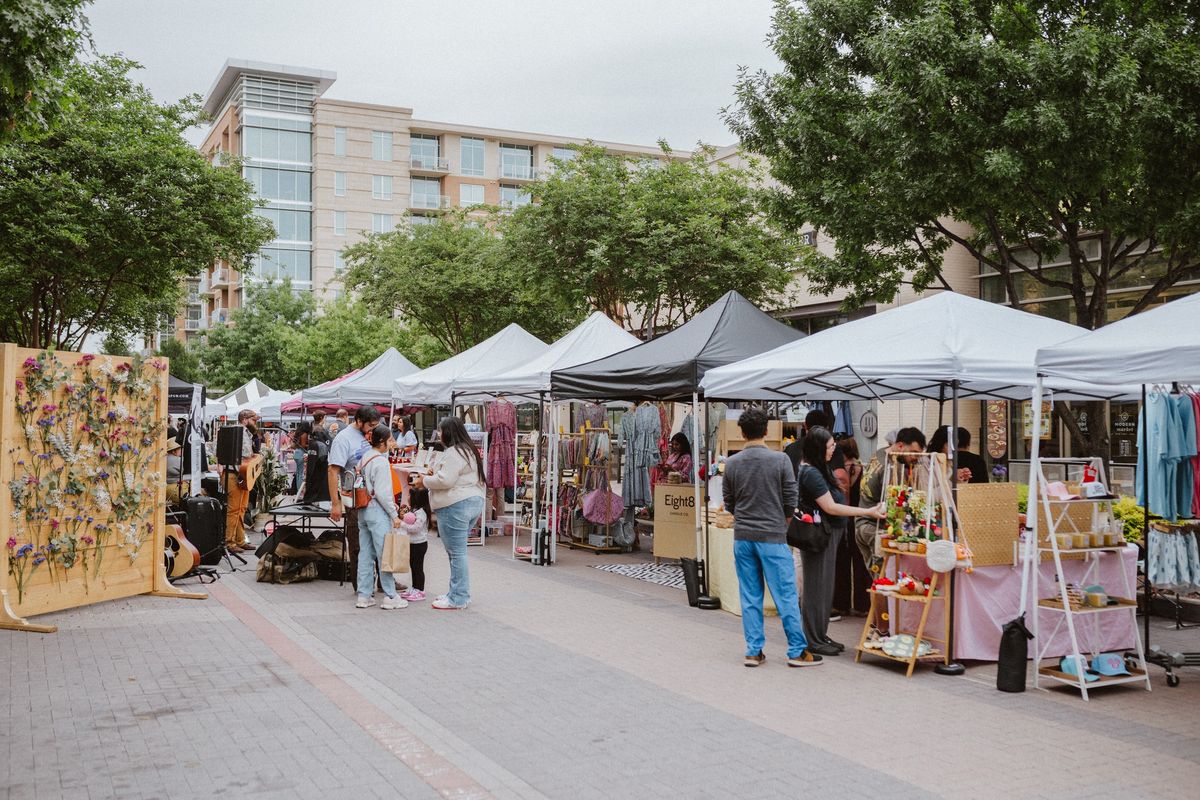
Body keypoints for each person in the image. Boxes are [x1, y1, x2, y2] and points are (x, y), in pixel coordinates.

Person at [721, 407, 821, 668]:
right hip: (773, 536)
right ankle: (797, 651)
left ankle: (754, 650)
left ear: (741, 433)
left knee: (750, 594)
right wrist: (782, 523)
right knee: (785, 594)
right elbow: (791, 499)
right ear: (766, 430)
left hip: (743, 536)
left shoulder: (731, 463)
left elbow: (729, 502)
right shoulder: (780, 461)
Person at [796, 426, 886, 656]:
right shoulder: (812, 473)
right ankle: (814, 639)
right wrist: (868, 512)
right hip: (820, 536)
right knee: (817, 587)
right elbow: (830, 507)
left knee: (825, 587)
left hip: (828, 535)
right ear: (818, 448)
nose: (833, 449)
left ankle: (820, 634)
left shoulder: (817, 469)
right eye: (829, 446)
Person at [412, 417, 485, 610]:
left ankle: (458, 597)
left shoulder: (454, 452)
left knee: (456, 553)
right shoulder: (467, 450)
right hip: (472, 501)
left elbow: (446, 480)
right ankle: (457, 592)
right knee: (457, 552)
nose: (438, 435)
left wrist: (424, 482)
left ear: (448, 433)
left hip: (456, 504)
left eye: (440, 431)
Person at [854, 427, 927, 568]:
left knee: (877, 577)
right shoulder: (893, 469)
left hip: (861, 524)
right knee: (886, 577)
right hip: (875, 529)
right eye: (914, 453)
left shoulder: (880, 453)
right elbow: (898, 507)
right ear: (900, 445)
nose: (916, 458)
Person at [353, 424, 407, 610]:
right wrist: (394, 515)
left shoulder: (364, 458)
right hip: (378, 511)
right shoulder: (381, 462)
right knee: (385, 553)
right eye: (390, 439)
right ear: (382, 441)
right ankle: (390, 595)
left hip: (363, 509)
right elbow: (384, 493)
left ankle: (364, 595)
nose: (392, 443)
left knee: (365, 553)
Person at [328, 406, 382, 587]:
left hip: (376, 497)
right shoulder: (343, 439)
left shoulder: (372, 435)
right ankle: (361, 585)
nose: (373, 429)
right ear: (359, 422)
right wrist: (335, 503)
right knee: (358, 543)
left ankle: (384, 580)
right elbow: (333, 471)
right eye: (371, 425)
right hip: (355, 499)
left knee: (380, 539)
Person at [786, 410, 849, 495]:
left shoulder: (790, 448)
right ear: (826, 427)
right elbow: (840, 475)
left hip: (795, 498)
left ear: (805, 425)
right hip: (822, 500)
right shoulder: (831, 447)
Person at [398, 481, 432, 602]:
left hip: (419, 544)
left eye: (410, 496)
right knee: (413, 566)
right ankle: (414, 587)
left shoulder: (421, 513)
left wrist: (402, 524)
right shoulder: (415, 510)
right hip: (412, 544)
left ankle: (420, 590)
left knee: (418, 567)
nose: (408, 497)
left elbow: (415, 529)